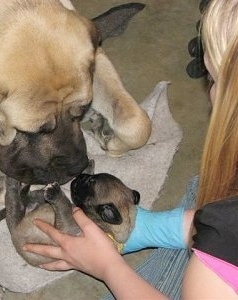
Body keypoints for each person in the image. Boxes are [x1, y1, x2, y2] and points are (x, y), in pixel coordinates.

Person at [23, 0, 238, 298]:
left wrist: (108, 267)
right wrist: (149, 228)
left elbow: (229, 231)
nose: (209, 90)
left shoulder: (215, 267)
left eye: (213, 78)